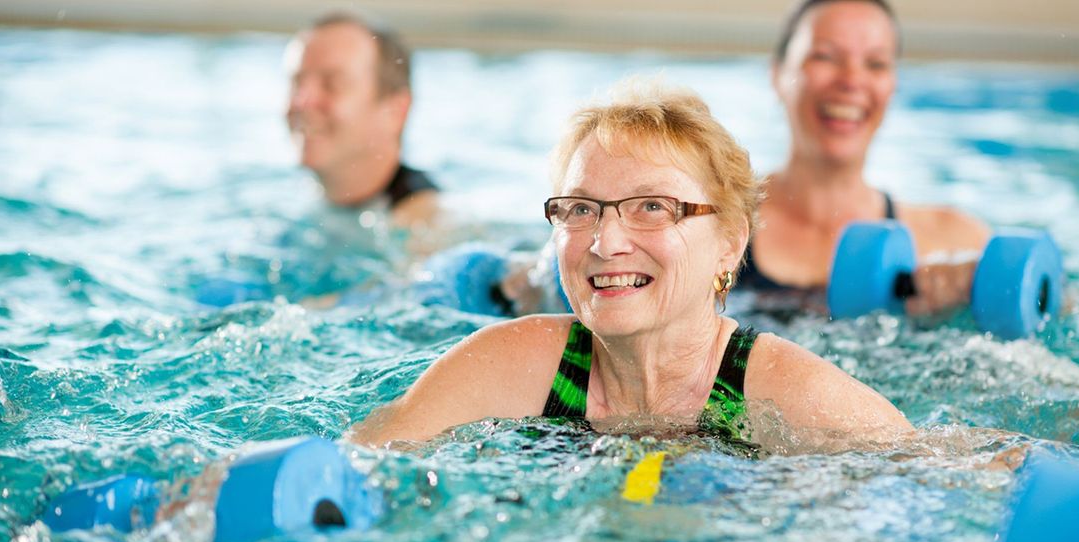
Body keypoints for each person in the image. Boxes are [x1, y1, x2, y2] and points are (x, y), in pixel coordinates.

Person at [350, 81, 914, 447]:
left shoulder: (792, 397)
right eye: (580, 209)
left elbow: (939, 484)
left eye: (653, 207)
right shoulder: (508, 367)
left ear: (729, 242)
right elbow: (361, 464)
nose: (605, 241)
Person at [742, 0, 991, 316]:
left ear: (892, 85)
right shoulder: (719, 223)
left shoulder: (955, 241)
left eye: (875, 64)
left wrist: (970, 292)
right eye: (825, 56)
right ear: (778, 75)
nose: (851, 80)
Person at [285, 13, 439, 228]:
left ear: (395, 111)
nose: (301, 102)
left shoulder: (428, 229)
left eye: (332, 84)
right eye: (297, 82)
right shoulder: (296, 196)